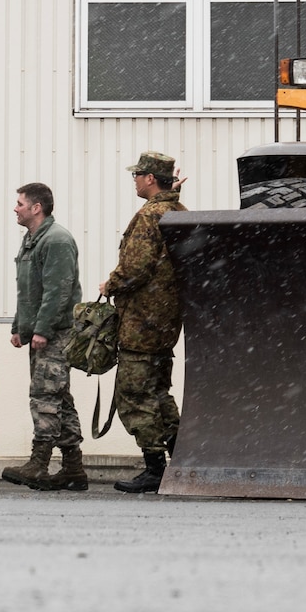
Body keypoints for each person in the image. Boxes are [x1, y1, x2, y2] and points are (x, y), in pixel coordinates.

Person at [99, 151, 186, 493]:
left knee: (135, 394)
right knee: (159, 392)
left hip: (141, 320)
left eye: (137, 175)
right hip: (166, 321)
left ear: (150, 178)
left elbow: (135, 267)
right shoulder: (177, 211)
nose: (134, 180)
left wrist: (111, 284)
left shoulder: (150, 215)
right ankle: (180, 460)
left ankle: (155, 469)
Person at [1, 182, 86, 492]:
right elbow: (28, 289)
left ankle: (39, 464)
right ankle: (73, 469)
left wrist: (42, 330)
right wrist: (19, 326)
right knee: (59, 397)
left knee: (45, 396)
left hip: (56, 333)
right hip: (41, 331)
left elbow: (58, 291)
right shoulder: (33, 240)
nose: (16, 208)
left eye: (20, 203)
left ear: (36, 208)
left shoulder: (57, 240)